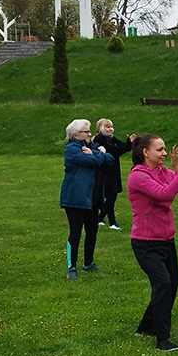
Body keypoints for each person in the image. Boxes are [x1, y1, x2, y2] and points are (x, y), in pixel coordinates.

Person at [127, 135, 178, 351]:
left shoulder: (163, 172)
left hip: (166, 239)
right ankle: (162, 340)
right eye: (159, 150)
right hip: (145, 242)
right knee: (163, 283)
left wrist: (177, 169)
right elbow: (164, 195)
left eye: (165, 149)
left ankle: (146, 327)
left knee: (171, 283)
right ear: (145, 152)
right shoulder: (138, 176)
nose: (165, 153)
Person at [60, 118, 112, 279]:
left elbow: (110, 159)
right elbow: (93, 162)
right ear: (75, 135)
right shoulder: (71, 150)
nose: (90, 134)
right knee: (75, 232)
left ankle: (88, 263)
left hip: (92, 198)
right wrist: (100, 153)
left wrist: (97, 153)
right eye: (86, 131)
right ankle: (71, 267)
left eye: (89, 131)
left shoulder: (90, 147)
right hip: (75, 197)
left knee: (92, 230)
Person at [93, 118, 134, 230]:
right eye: (107, 127)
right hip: (105, 171)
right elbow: (114, 150)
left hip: (113, 170)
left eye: (111, 127)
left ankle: (100, 218)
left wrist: (129, 143)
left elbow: (121, 147)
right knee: (110, 197)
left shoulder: (111, 138)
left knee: (112, 196)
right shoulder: (100, 139)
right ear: (101, 128)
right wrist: (127, 146)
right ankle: (111, 221)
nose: (110, 129)